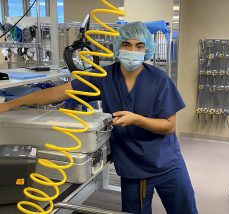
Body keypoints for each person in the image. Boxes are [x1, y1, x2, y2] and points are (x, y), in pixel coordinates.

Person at [0, 22, 198, 214]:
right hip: (132, 166)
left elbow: (169, 125)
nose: (132, 50)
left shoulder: (159, 80)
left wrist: (136, 119)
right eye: (126, 44)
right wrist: (10, 104)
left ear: (147, 49)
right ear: (118, 46)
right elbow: (60, 92)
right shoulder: (105, 76)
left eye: (139, 46)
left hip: (166, 164)